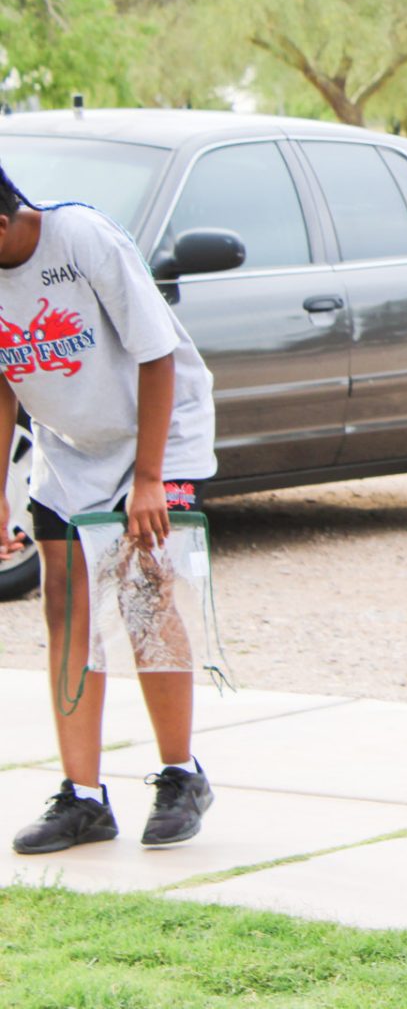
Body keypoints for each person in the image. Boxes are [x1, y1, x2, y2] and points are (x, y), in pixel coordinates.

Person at [0, 167, 219, 854]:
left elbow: (157, 354)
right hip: (72, 448)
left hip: (162, 433)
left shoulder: (82, 239)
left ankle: (182, 773)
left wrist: (149, 478)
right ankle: (85, 797)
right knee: (65, 601)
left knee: (143, 588)